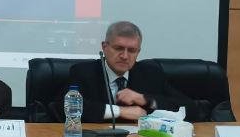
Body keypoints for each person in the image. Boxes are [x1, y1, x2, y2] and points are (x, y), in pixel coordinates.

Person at [66, 21, 195, 122]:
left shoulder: (151, 74)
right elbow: (65, 107)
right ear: (104, 47)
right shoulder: (83, 72)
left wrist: (145, 100)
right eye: (118, 48)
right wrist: (119, 111)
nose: (125, 56)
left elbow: (190, 108)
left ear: (138, 52)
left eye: (132, 50)